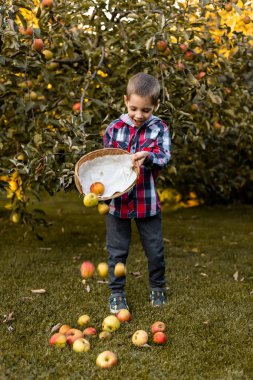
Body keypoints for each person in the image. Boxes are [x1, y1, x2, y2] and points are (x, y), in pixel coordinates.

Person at [103, 72, 171, 313]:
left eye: (146, 110)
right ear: (125, 101)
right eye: (133, 108)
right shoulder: (114, 128)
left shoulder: (160, 128)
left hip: (147, 200)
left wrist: (149, 157)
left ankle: (157, 287)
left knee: (155, 249)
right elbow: (105, 163)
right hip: (118, 202)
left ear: (156, 106)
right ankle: (117, 293)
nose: (139, 115)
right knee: (116, 252)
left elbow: (164, 158)